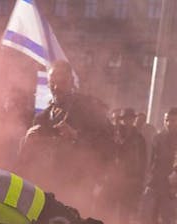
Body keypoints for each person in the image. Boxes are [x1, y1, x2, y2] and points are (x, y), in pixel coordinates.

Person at [18, 60, 112, 211]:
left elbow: (107, 145)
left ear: (71, 82)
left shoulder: (88, 108)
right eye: (52, 83)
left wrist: (76, 136)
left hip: (76, 188)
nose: (56, 88)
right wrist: (27, 141)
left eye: (62, 82)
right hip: (45, 187)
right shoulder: (42, 117)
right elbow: (26, 160)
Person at [142, 107, 177, 224]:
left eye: (173, 120)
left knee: (168, 223)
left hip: (171, 186)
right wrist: (147, 177)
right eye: (167, 120)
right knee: (146, 215)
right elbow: (150, 159)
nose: (169, 123)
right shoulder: (158, 137)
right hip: (154, 182)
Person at [103, 107, 147, 224]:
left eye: (130, 118)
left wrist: (140, 178)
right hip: (113, 177)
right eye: (125, 119)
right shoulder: (114, 134)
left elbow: (143, 160)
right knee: (109, 209)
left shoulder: (139, 138)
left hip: (130, 178)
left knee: (125, 212)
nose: (128, 121)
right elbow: (107, 154)